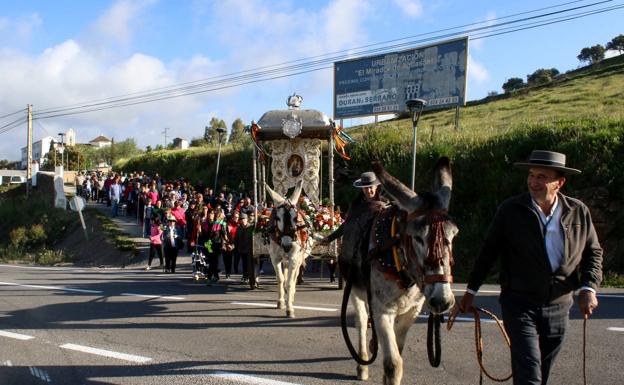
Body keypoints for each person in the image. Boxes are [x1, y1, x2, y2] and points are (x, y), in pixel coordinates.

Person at [457, 150, 603, 385]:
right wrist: (470, 291)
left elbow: (593, 252)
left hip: (559, 305)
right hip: (519, 304)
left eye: (541, 177)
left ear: (559, 182)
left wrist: (589, 287)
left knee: (541, 373)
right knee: (530, 375)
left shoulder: (578, 212)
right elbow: (489, 252)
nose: (533, 182)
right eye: (531, 176)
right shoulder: (511, 210)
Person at [234, 213, 253, 284]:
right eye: (241, 219)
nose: (242, 220)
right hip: (241, 249)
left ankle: (247, 277)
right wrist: (232, 246)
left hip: (249, 249)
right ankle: (245, 276)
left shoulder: (250, 227)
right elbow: (236, 239)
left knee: (248, 264)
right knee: (244, 264)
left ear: (247, 219)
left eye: (244, 219)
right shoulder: (239, 228)